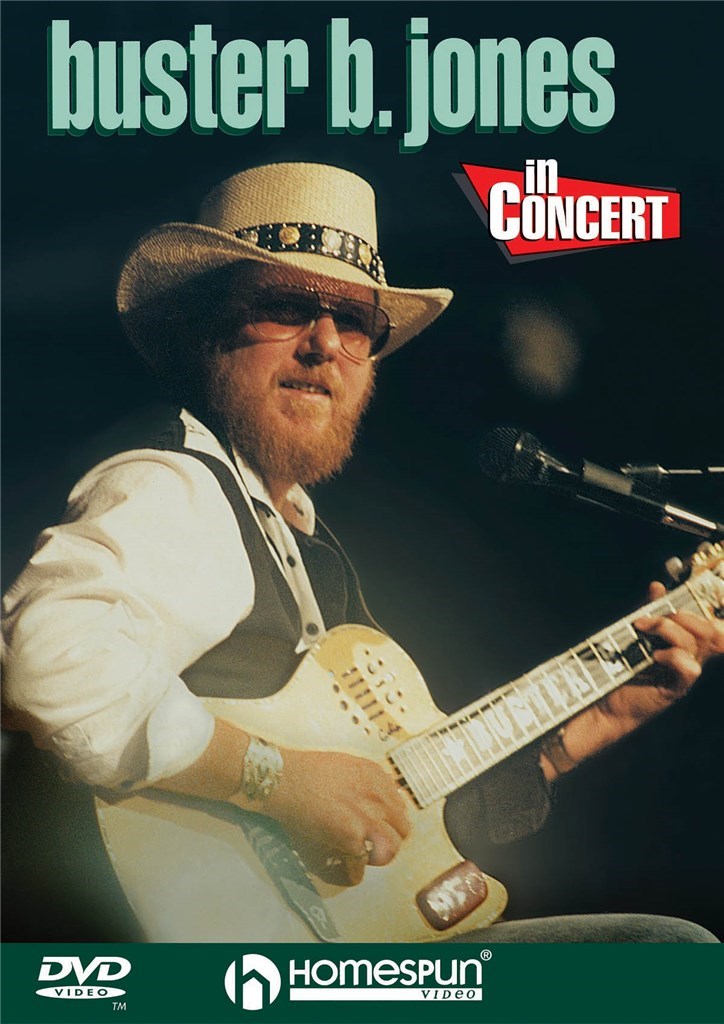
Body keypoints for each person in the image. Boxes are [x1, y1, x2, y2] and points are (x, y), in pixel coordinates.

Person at [2, 162, 722, 943]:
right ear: (207, 329)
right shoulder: (174, 484)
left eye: (353, 322)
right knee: (664, 957)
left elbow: (409, 810)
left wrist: (607, 712)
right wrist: (275, 781)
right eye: (286, 306)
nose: (324, 344)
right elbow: (48, 665)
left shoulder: (296, 532)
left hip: (329, 945)